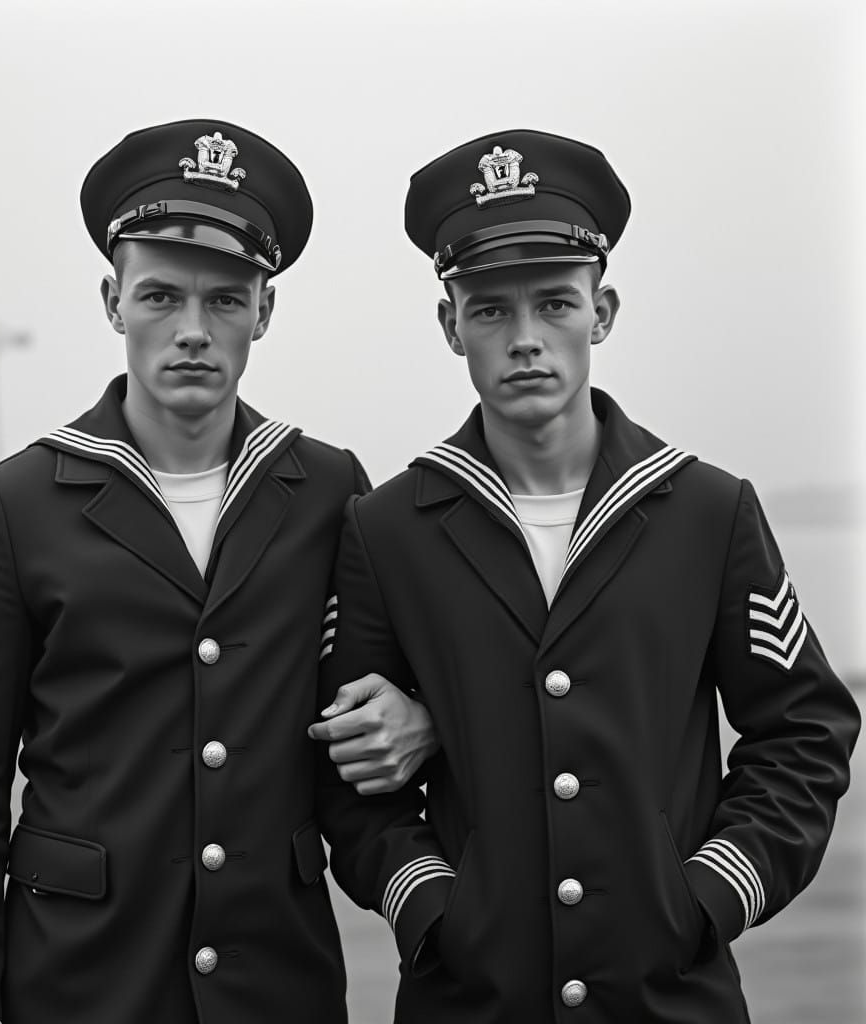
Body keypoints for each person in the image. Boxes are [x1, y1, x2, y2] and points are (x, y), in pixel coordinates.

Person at [309, 129, 860, 1023]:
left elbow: (804, 731)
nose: (526, 340)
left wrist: (713, 895)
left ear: (602, 313)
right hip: (469, 1001)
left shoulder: (707, 512)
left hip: (672, 1000)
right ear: (450, 324)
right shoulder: (389, 528)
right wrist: (426, 903)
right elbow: (347, 763)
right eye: (490, 310)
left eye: (555, 305)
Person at [0, 118, 435, 1024]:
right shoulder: (15, 505)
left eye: (226, 300)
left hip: (280, 988)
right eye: (160, 298)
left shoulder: (329, 489)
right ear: (112, 301)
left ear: (265, 310)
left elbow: (399, 676)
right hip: (78, 986)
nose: (193, 331)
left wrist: (421, 716)